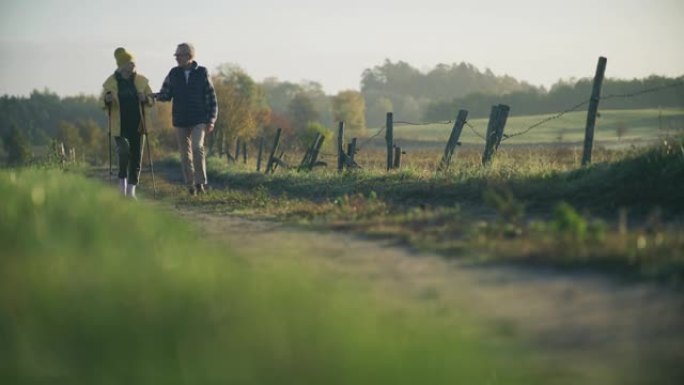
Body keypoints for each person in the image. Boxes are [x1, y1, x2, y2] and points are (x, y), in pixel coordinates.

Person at [156, 42, 218, 195]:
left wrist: (211, 120)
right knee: (184, 155)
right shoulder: (173, 73)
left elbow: (211, 97)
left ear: (189, 56)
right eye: (176, 55)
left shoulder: (202, 72)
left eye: (179, 55)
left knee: (197, 148)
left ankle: (200, 183)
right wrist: (151, 96)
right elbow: (166, 94)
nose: (176, 58)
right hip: (181, 119)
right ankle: (190, 185)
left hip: (199, 119)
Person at [100, 47, 154, 199]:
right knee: (123, 151)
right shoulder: (110, 83)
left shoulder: (142, 81)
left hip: (138, 124)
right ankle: (121, 185)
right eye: (130, 62)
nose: (133, 65)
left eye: (133, 62)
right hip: (119, 125)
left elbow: (152, 99)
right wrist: (107, 100)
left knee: (136, 156)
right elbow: (101, 102)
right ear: (122, 65)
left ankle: (131, 191)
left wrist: (146, 99)